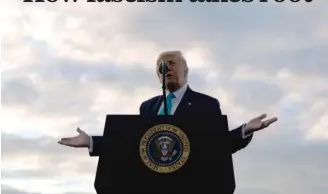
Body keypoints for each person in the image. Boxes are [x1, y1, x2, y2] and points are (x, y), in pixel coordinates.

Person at [58, 50, 278, 155]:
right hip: (151, 191)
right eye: (160, 67)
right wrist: (92, 142)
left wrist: (244, 130)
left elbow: (217, 145)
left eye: (171, 64)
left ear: (186, 70)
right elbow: (136, 145)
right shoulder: (148, 107)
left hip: (192, 191)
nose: (165, 69)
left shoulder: (206, 104)